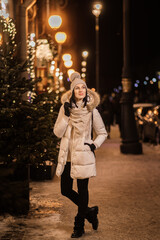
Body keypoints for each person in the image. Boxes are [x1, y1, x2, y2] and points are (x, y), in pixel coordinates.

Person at [54, 72, 107, 238]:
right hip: (68, 156)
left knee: (83, 190)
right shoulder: (65, 109)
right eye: (77, 88)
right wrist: (65, 117)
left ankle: (79, 225)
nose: (80, 90)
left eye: (83, 87)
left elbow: (102, 133)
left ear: (86, 90)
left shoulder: (91, 111)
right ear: (72, 91)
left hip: (84, 154)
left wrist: (94, 144)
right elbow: (57, 132)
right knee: (65, 190)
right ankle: (90, 212)